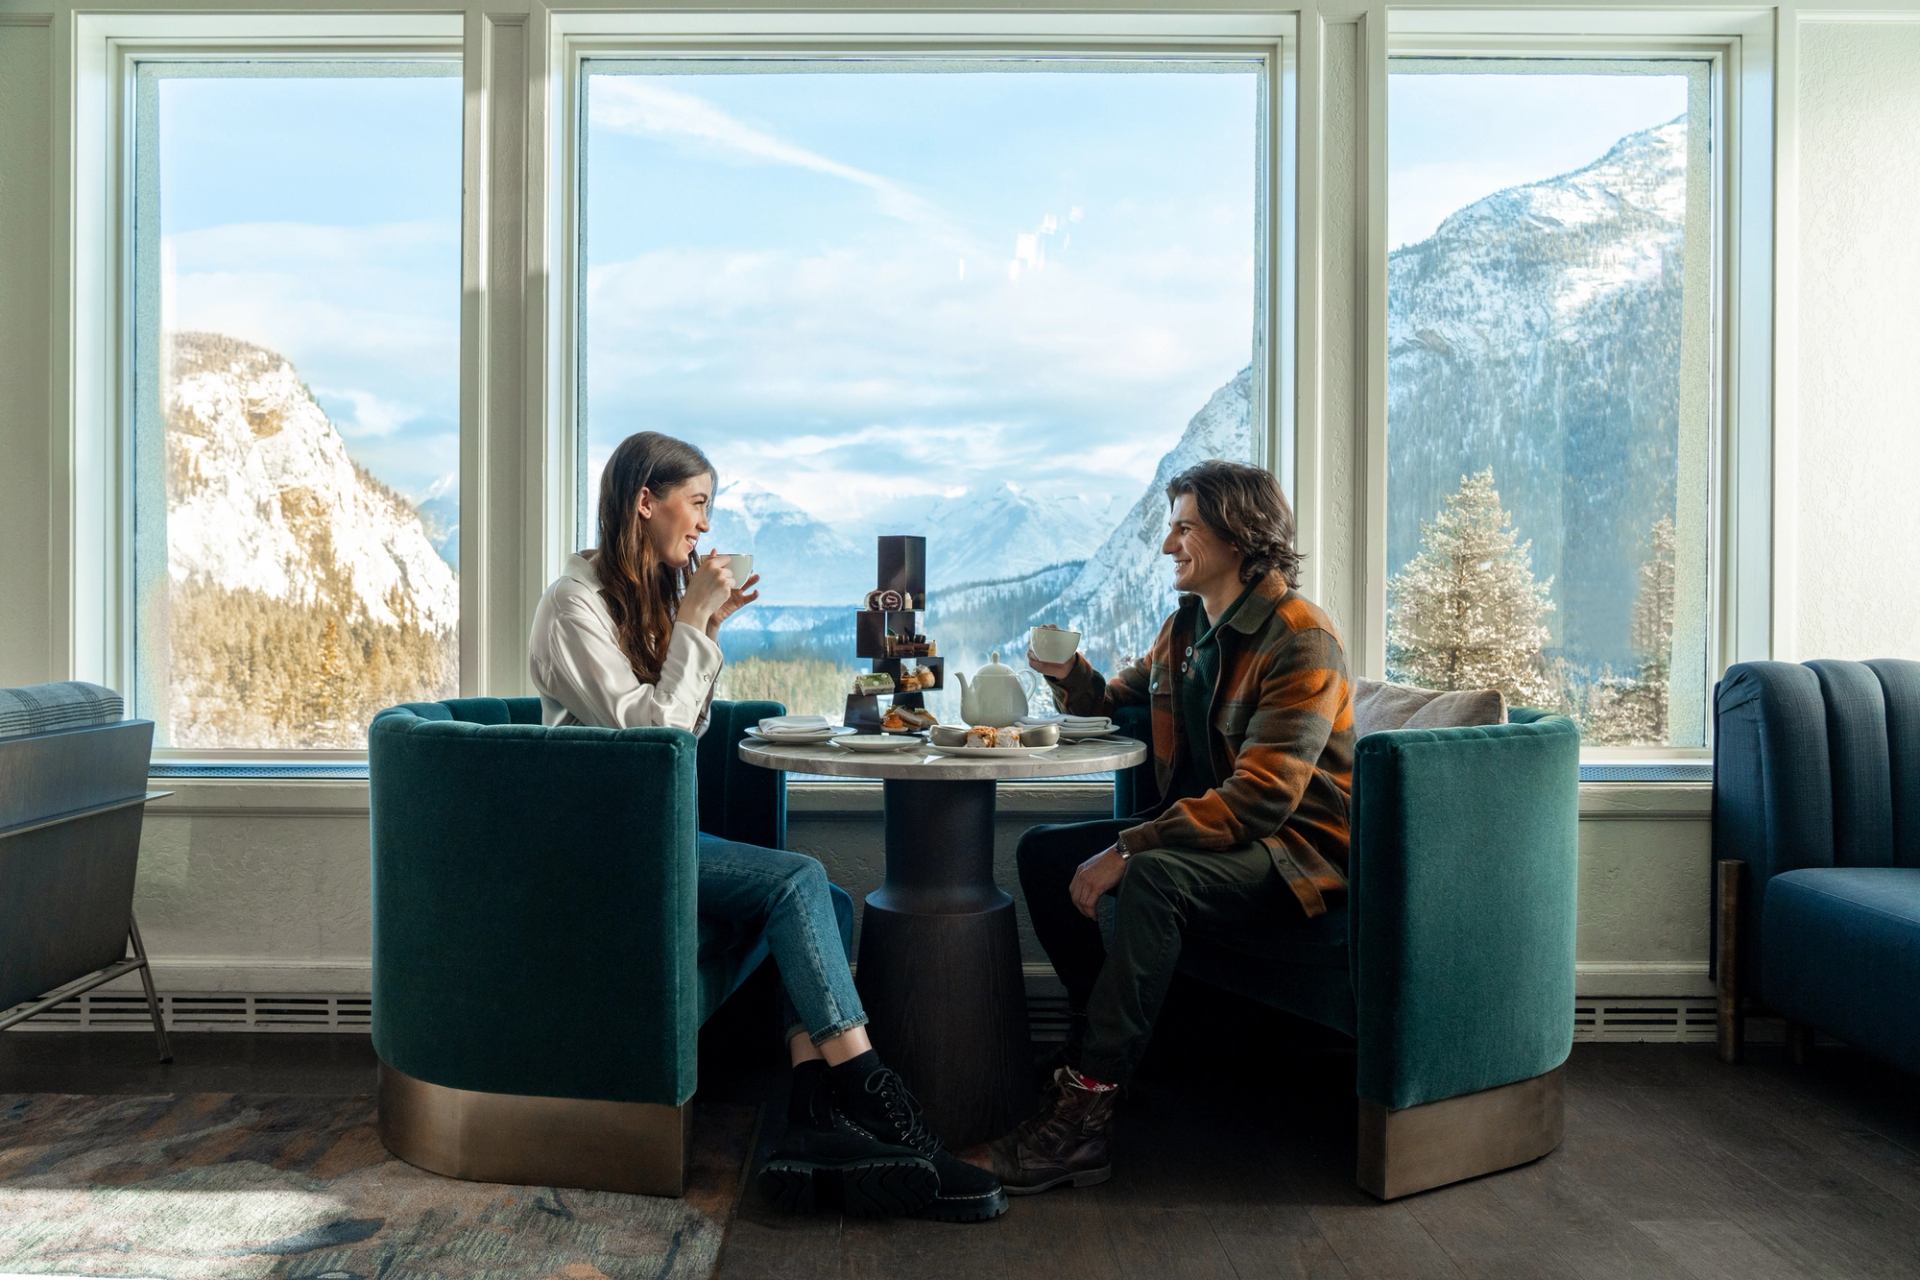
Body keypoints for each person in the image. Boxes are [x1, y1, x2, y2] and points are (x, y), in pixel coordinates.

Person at [528, 430, 1006, 1223]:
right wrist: (690, 625)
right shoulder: (572, 603)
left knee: (833, 907)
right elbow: (651, 739)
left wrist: (702, 637)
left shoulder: (642, 597)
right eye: (698, 505)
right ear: (646, 502)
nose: (706, 528)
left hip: (655, 833)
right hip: (601, 845)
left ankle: (814, 1123)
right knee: (800, 879)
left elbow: (684, 725)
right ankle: (888, 1112)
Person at [975, 459, 1354, 1195]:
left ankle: (1081, 1119)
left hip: (1289, 854)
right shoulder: (1185, 629)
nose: (1167, 543)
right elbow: (1115, 706)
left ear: (1238, 533)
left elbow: (1262, 802)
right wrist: (1066, 671)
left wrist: (1130, 846)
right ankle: (1111, 1055)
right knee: (1046, 857)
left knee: (1150, 873)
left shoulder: (1301, 639)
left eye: (1183, 526)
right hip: (1212, 838)